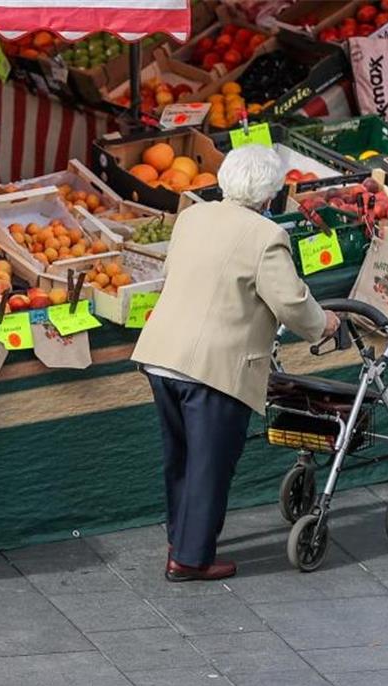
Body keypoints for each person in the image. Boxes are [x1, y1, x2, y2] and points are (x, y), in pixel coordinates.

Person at [131, 145, 340, 582]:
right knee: (211, 462)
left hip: (163, 354)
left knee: (182, 456)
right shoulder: (266, 237)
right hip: (214, 366)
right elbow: (291, 301)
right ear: (269, 195)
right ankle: (190, 559)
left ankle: (181, 537)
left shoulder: (192, 217)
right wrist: (325, 324)